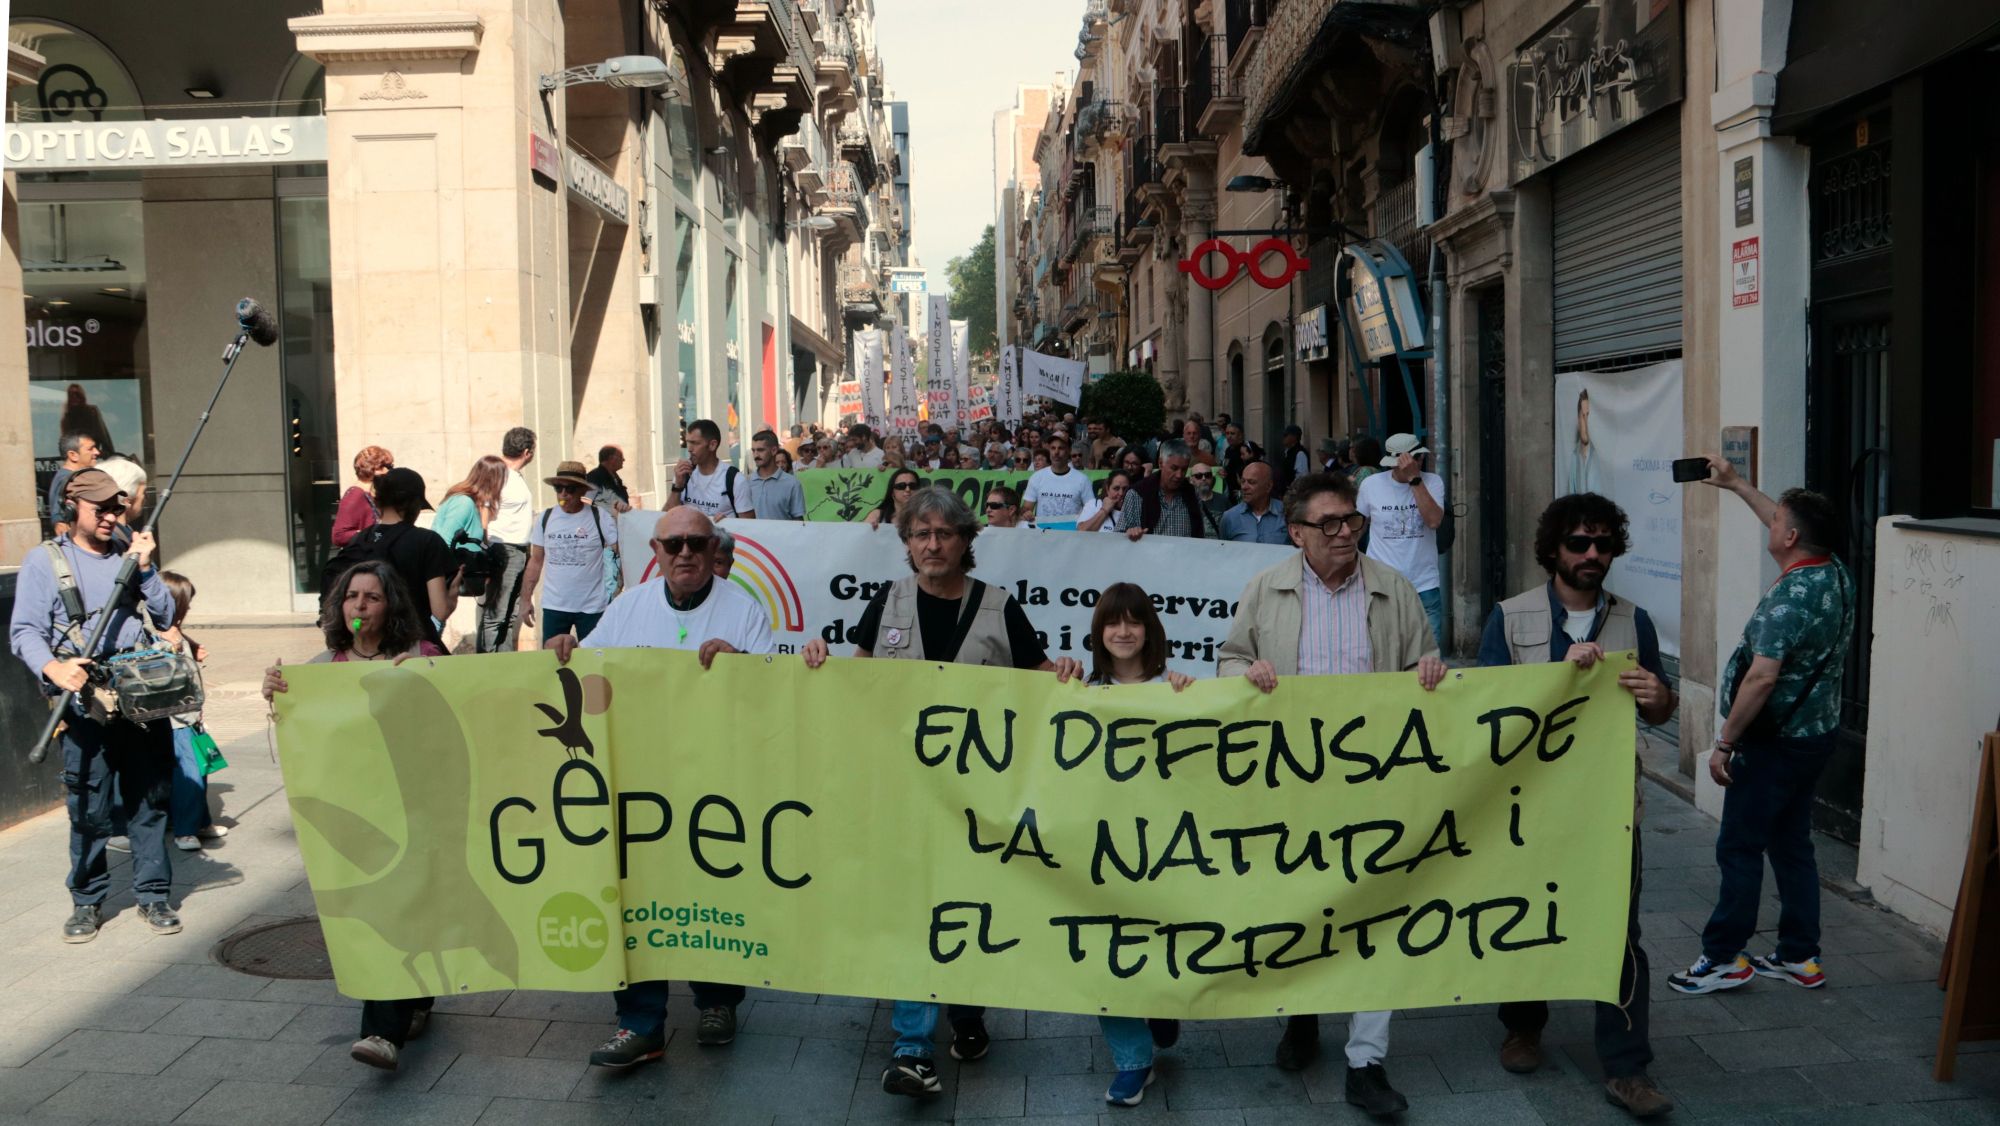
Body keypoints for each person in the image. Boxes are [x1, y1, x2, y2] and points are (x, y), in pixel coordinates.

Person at [800, 487, 1083, 1101]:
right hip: (903, 794)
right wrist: (822, 662)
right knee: (911, 909)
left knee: (968, 906)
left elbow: (1037, 677)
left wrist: (1061, 672)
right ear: (906, 545)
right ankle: (911, 1047)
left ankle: (967, 1011)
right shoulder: (888, 602)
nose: (932, 544)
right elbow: (860, 676)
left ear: (965, 542)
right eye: (920, 535)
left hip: (978, 799)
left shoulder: (1000, 607)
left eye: (944, 534)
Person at [1216, 471, 1443, 1119]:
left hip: (1373, 783)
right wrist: (1246, 671)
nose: (1346, 532)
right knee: (1299, 908)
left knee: (1373, 914)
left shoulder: (1393, 589)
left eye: (1351, 520)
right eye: (1330, 523)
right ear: (1297, 533)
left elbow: (1423, 668)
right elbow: (1229, 658)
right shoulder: (1268, 589)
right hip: (1291, 785)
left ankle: (1366, 1060)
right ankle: (1302, 1016)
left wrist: (1428, 672)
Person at [545, 508, 774, 1069]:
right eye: (673, 545)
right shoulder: (627, 608)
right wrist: (564, 654)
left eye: (697, 542)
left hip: (712, 782)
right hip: (638, 782)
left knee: (710, 888)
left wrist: (742, 667)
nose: (686, 554)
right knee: (636, 895)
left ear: (712, 546)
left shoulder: (744, 610)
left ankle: (718, 1000)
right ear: (656, 549)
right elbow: (589, 678)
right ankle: (639, 1022)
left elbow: (771, 697)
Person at [1476, 493, 1676, 1119]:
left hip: (1611, 807)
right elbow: (1484, 711)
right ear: (1553, 551)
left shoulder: (1634, 620)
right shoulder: (1509, 617)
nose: (1594, 556)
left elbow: (1661, 710)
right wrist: (1556, 677)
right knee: (1525, 916)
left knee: (1619, 932)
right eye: (1580, 545)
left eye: (1604, 545)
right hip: (1528, 807)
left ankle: (1627, 1068)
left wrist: (1654, 695)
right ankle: (1523, 1026)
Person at [1668, 458, 1855, 996]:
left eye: (1777, 522)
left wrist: (1725, 742)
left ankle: (1723, 957)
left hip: (1772, 745)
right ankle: (1801, 956)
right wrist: (1735, 483)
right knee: (1793, 844)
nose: (1770, 523)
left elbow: (1761, 679)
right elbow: (1782, 516)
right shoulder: (1834, 571)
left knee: (1740, 847)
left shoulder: (1785, 602)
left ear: (1791, 537)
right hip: (1816, 735)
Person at [263, 559, 445, 1071]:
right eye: (351, 597)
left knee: (402, 908)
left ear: (392, 607)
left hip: (416, 812)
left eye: (372, 597)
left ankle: (385, 1030)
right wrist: (278, 695)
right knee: (389, 912)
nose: (360, 606)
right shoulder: (322, 669)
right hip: (359, 821)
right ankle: (407, 1005)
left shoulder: (422, 656)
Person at [9, 468, 180, 942]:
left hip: (142, 700)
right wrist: (53, 668)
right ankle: (86, 901)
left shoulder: (131, 555)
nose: (110, 515)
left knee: (150, 803)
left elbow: (166, 616)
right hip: (85, 705)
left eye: (116, 507)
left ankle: (154, 895)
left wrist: (145, 568)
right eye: (99, 507)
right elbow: (24, 631)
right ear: (71, 506)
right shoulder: (45, 562)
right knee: (88, 809)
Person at [1083, 582, 1192, 1105]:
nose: (1123, 632)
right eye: (1112, 622)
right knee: (1104, 950)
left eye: (1133, 621)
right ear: (1099, 633)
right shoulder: (1080, 692)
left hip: (1168, 847)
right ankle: (1132, 1061)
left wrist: (1195, 695)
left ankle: (1161, 1003)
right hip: (1098, 849)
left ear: (1149, 629)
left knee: (1160, 937)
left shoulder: (1178, 689)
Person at [340, 468, 456, 649]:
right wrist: (452, 596)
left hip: (365, 647)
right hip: (412, 644)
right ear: (413, 504)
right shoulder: (426, 541)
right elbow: (440, 610)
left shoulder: (359, 540)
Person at [1355, 433, 1447, 647]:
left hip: (1424, 585)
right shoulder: (1371, 485)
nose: (1418, 463)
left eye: (1419, 459)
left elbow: (1433, 521)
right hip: (1381, 584)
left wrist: (1415, 480)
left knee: (1430, 656)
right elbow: (1358, 527)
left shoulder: (1432, 482)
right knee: (1382, 652)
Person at [157, 571, 225, 853]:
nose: (189, 609)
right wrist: (174, 648)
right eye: (186, 603)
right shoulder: (159, 634)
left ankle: (199, 821)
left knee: (202, 767)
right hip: (175, 717)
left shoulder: (175, 631)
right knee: (190, 771)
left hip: (191, 715)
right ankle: (185, 829)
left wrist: (191, 646)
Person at [516, 461, 620, 643]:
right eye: (558, 488)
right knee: (553, 665)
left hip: (592, 608)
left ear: (582, 490)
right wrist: (525, 600)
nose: (563, 494)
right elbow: (535, 561)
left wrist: (624, 518)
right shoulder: (545, 518)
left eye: (570, 489)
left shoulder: (599, 516)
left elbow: (622, 552)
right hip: (555, 606)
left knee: (593, 662)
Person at [478, 427, 538, 653]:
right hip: (502, 549)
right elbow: (483, 508)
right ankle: (489, 663)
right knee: (496, 614)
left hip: (519, 549)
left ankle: (505, 663)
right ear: (527, 452)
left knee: (510, 615)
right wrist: (485, 548)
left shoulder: (513, 476)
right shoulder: (497, 473)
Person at [433, 455, 507, 586]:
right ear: (495, 480)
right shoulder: (464, 503)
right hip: (446, 578)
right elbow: (445, 540)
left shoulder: (471, 502)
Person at [670, 419, 756, 521]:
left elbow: (749, 526)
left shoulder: (735, 479)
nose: (689, 448)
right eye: (688, 442)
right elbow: (667, 518)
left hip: (722, 536)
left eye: (695, 443)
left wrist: (729, 523)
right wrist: (677, 488)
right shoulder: (684, 473)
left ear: (712, 445)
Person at [1119, 441, 1202, 540]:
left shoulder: (1192, 494)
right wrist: (1129, 533)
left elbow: (1199, 535)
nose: (1179, 475)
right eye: (1174, 468)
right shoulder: (1137, 493)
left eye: (1184, 469)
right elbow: (1119, 537)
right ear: (1161, 463)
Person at [1022, 433, 1094, 529]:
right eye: (1053, 448)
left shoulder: (1082, 479)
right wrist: (1026, 513)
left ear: (1069, 450)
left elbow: (1091, 510)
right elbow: (1026, 508)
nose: (1056, 452)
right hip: (1042, 535)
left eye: (1061, 448)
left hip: (1071, 537)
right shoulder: (1036, 477)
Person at [332, 445, 395, 549]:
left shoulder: (371, 492)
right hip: (363, 560)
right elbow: (338, 536)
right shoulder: (355, 495)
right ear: (373, 468)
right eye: (387, 466)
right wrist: (371, 534)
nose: (389, 471)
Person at [47, 431, 100, 537]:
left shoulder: (71, 477)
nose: (97, 452)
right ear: (73, 455)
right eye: (90, 449)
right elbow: (60, 522)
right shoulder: (67, 480)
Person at [745, 429, 806, 520]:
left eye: (760, 450)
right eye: (753, 450)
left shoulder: (792, 483)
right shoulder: (746, 482)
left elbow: (798, 521)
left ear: (774, 450)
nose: (755, 455)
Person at [1221, 460, 1287, 544]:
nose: (1244, 487)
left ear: (1268, 486)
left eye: (1251, 482)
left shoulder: (1287, 514)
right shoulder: (1229, 517)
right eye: (1243, 481)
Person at [587, 444, 632, 511]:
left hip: (619, 519)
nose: (623, 460)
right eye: (621, 457)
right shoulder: (594, 477)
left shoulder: (615, 477)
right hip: (604, 519)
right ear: (611, 458)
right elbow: (589, 502)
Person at [1273, 425, 1311, 494]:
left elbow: (1302, 478)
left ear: (1294, 437)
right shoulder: (1288, 453)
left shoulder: (1300, 454)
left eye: (1286, 435)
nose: (1283, 437)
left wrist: (1292, 490)